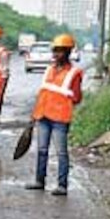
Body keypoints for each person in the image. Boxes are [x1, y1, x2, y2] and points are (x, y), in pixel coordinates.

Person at [28, 33, 84, 196]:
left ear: (68, 52)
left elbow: (77, 97)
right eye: (55, 51)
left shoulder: (74, 73)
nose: (56, 54)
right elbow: (42, 93)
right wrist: (34, 114)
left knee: (61, 152)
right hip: (43, 115)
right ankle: (40, 181)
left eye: (60, 51)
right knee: (42, 149)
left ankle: (62, 185)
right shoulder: (48, 70)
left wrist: (63, 103)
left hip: (60, 118)